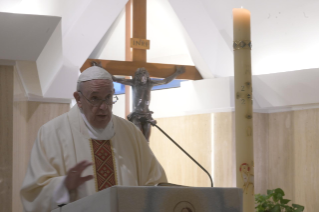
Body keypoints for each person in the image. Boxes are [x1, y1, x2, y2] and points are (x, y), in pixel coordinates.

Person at [20, 66, 167, 212]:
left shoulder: (131, 133)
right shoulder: (51, 133)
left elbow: (155, 182)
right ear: (78, 99)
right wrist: (63, 185)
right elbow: (34, 194)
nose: (103, 107)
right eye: (95, 98)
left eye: (108, 97)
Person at [112, 66, 185, 142]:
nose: (142, 79)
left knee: (146, 140)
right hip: (137, 115)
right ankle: (137, 152)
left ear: (146, 76)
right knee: (138, 138)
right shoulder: (134, 83)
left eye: (144, 77)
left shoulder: (150, 83)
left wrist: (177, 73)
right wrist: (101, 69)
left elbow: (165, 81)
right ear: (137, 77)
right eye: (140, 77)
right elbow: (116, 79)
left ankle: (146, 153)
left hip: (147, 115)